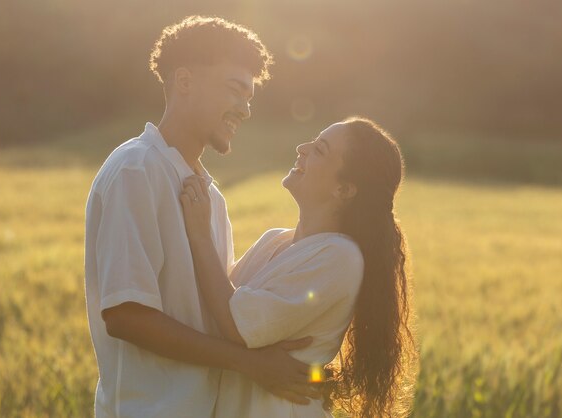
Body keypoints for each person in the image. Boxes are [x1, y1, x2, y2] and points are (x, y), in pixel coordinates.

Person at [84, 16, 319, 418]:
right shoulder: (136, 170)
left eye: (250, 96)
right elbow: (125, 316)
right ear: (185, 81)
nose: (244, 109)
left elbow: (219, 312)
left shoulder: (210, 197)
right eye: (234, 89)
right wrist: (252, 364)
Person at [180, 117, 418, 417]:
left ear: (344, 190)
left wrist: (200, 234)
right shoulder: (273, 241)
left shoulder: (341, 258)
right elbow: (211, 314)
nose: (301, 148)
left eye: (319, 150)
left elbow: (235, 323)